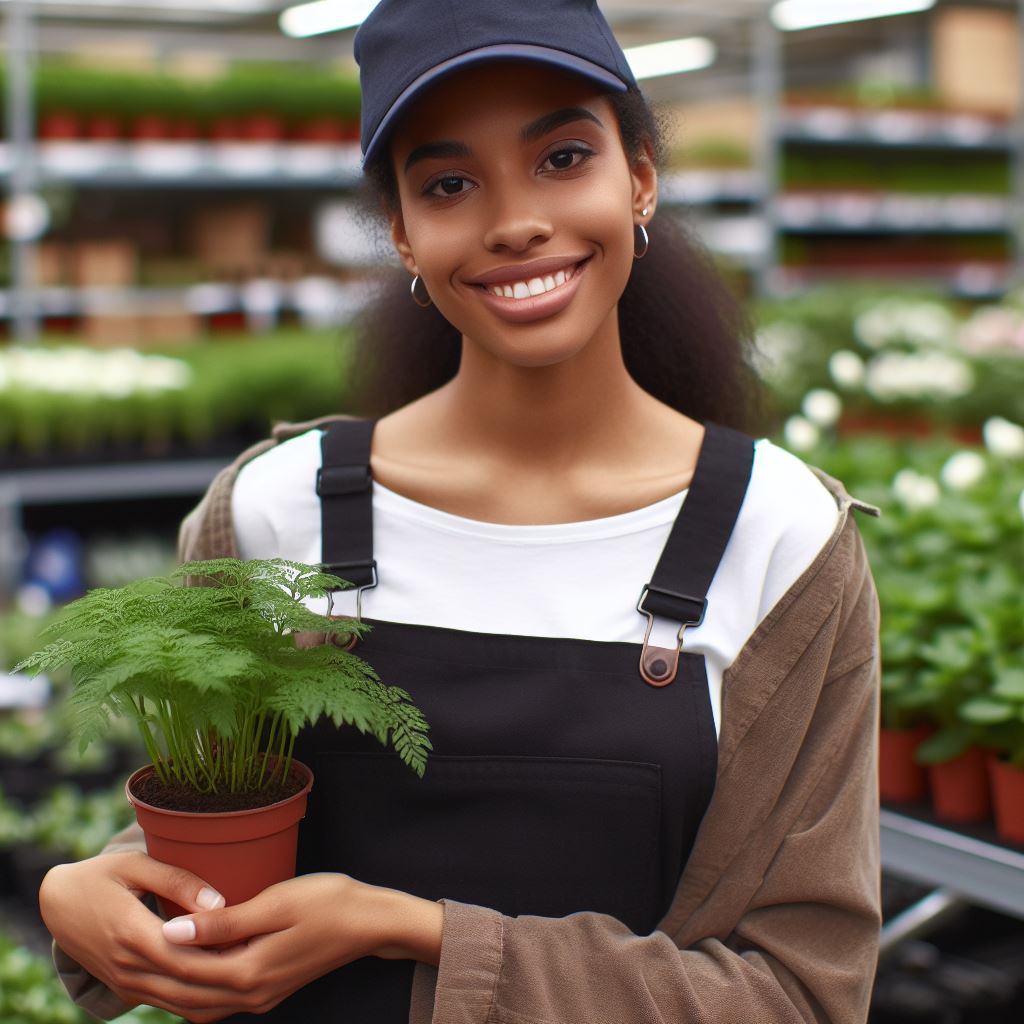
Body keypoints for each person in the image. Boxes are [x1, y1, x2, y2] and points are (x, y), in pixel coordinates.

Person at [42, 1, 882, 1022]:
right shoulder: (276, 509)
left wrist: (414, 929)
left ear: (641, 177)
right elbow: (214, 812)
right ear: (402, 230)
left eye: (564, 156)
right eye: (448, 183)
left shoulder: (777, 537)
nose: (513, 218)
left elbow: (799, 991)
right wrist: (96, 888)